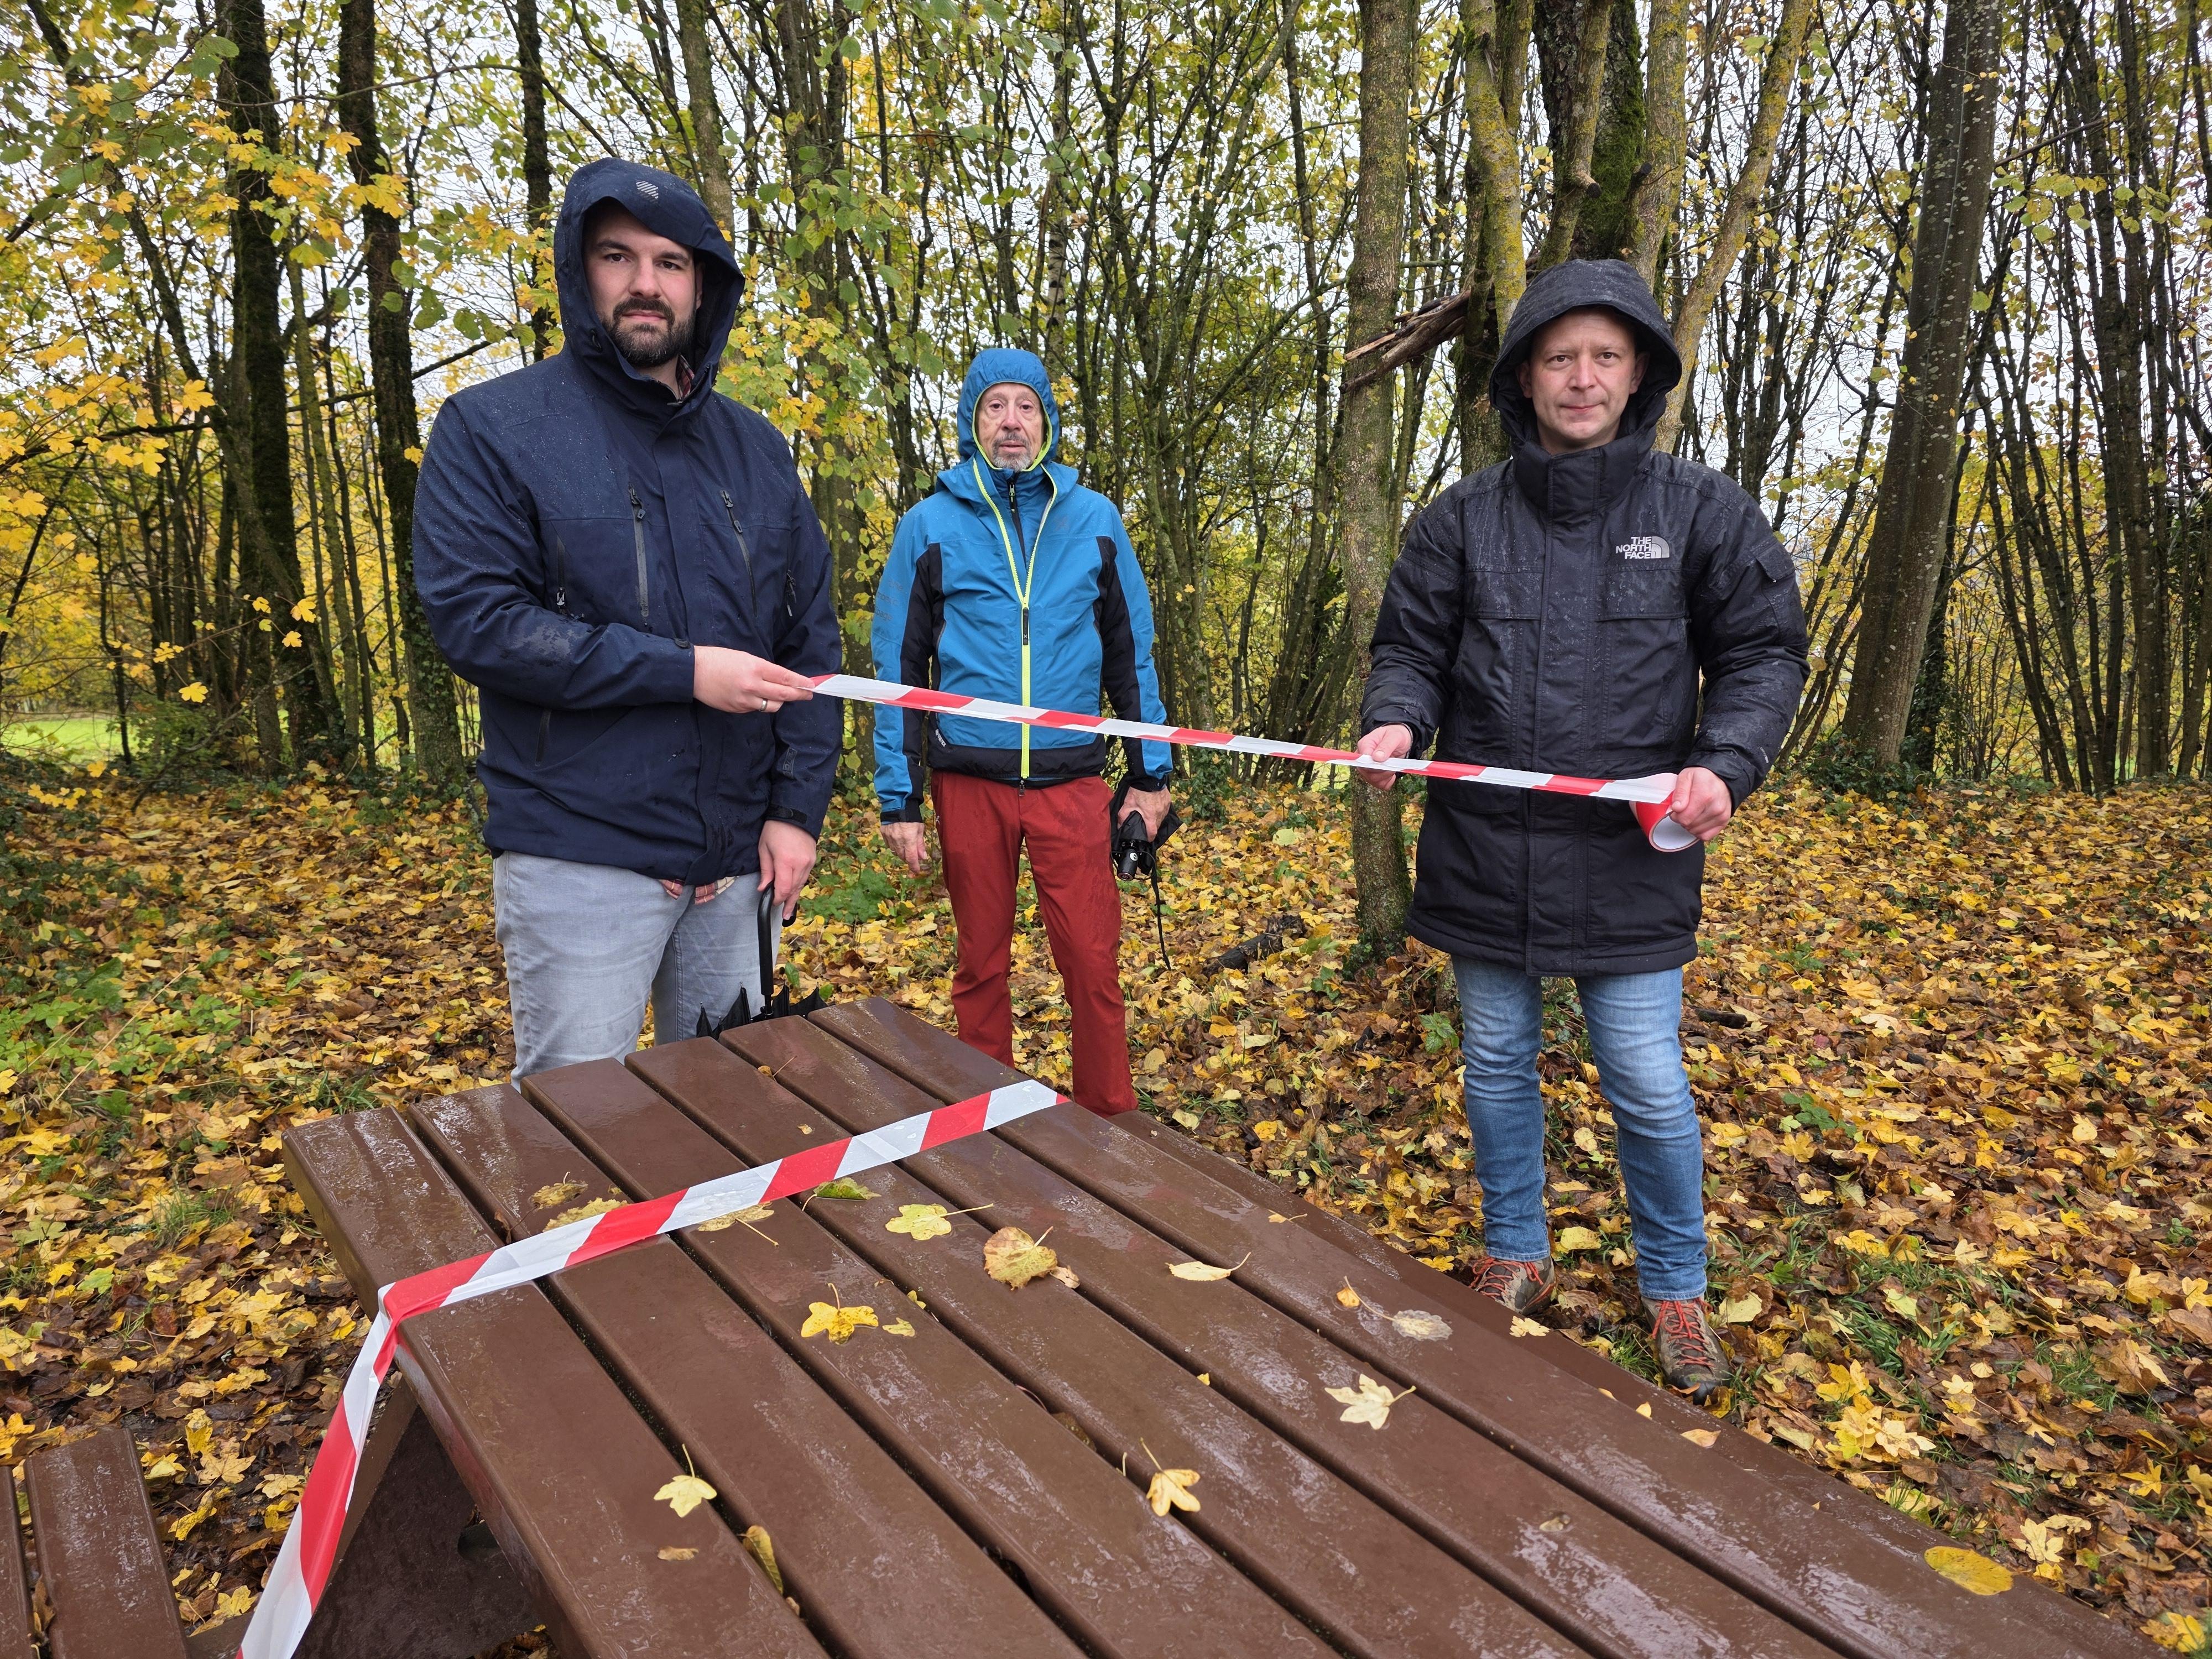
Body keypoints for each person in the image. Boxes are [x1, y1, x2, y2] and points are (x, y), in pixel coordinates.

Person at [1355, 259, 1807, 1399]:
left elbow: (1760, 653)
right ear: (1521, 377)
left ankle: (1675, 1291)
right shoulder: (1457, 520)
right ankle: (1515, 1253)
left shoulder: (1701, 510)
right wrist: (1394, 727)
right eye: (1557, 356)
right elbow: (1408, 650)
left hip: (1628, 858)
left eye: (1605, 355)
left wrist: (1725, 764)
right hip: (1481, 845)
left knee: (1645, 1081)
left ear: (1640, 371)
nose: (1581, 377)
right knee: (1497, 1062)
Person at [413, 159, 839, 1078]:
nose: (646, 282)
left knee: (734, 1119)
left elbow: (811, 646)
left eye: (671, 263)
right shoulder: (494, 428)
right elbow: (480, 622)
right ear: (581, 270)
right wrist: (684, 672)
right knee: (576, 1140)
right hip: (581, 854)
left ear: (704, 286)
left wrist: (797, 812)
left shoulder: (758, 449)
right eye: (619, 256)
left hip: (740, 863)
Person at [872, 349, 1171, 1115]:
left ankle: (1110, 1122)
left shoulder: (1095, 519)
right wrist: (899, 800)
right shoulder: (928, 524)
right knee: (980, 964)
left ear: (1047, 421)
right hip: (969, 779)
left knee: (1092, 963)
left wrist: (1151, 776)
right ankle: (985, 1131)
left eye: (1026, 406)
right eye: (995, 406)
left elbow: (1131, 649)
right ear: (974, 423)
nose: (1012, 421)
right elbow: (897, 667)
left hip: (1073, 780)